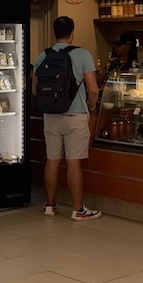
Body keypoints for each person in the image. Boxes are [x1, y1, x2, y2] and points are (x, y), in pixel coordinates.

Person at [33, 16, 101, 221]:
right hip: (75, 115)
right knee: (73, 163)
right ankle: (78, 209)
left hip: (50, 116)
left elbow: (35, 90)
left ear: (55, 32)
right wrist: (91, 106)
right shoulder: (82, 54)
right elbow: (93, 88)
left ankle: (50, 205)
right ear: (72, 32)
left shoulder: (43, 55)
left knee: (52, 160)